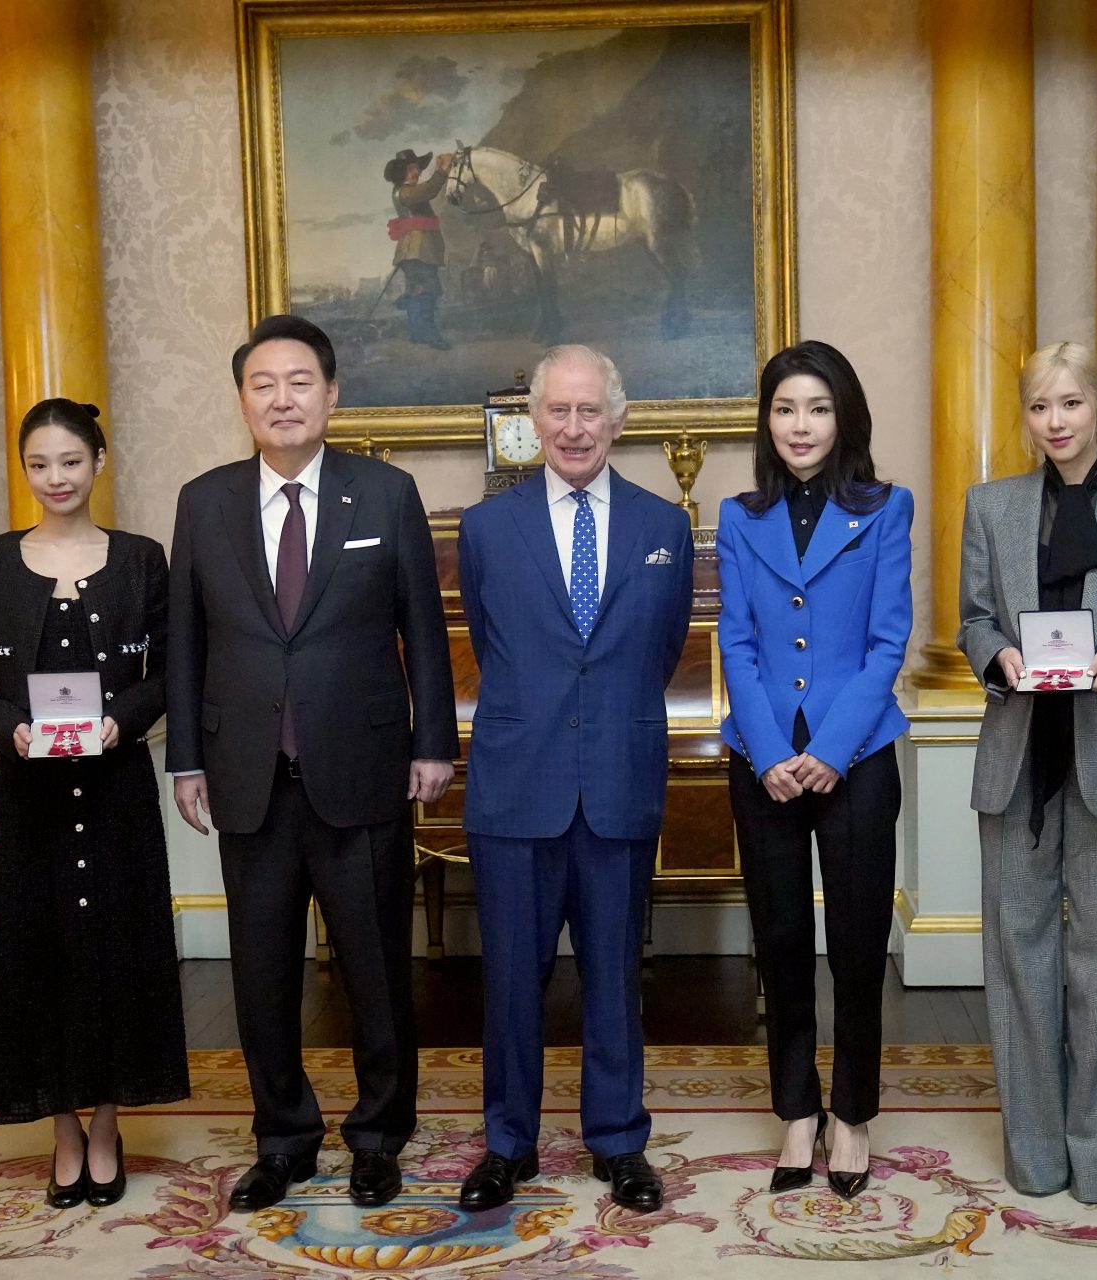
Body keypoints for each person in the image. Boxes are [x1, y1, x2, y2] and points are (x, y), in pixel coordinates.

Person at [168, 314, 457, 1211]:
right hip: (246, 775)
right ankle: (283, 1138)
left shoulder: (385, 494)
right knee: (261, 977)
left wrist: (435, 740)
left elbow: (423, 629)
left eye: (300, 382)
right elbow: (185, 642)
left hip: (362, 769)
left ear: (332, 395)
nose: (283, 398)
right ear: (243, 400)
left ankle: (378, 1138)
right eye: (264, 383)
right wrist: (185, 760)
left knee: (376, 970)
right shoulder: (204, 501)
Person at [456, 344, 693, 1214]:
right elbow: (493, 648)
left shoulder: (663, 526)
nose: (574, 427)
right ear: (532, 421)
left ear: (617, 419)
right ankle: (507, 1143)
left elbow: (659, 652)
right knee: (512, 980)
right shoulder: (485, 529)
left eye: (590, 410)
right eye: (557, 411)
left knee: (614, 977)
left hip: (619, 782)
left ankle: (619, 1141)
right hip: (518, 787)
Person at [955, 342, 1097, 1205]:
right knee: (1018, 962)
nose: (1055, 423)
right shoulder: (991, 506)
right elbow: (971, 617)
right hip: (1017, 757)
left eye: (1070, 404)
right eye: (1039, 408)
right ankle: (1038, 1158)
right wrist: (999, 653)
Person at [0, 398, 188, 1209]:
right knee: (37, 953)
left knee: (116, 950)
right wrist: (8, 728)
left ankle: (109, 1125)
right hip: (30, 796)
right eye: (39, 465)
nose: (56, 478)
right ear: (26, 470)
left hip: (116, 792)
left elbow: (171, 669)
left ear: (98, 462)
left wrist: (126, 719)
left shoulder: (142, 559)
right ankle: (62, 1130)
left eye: (71, 462)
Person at [715, 340, 913, 1199]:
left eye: (819, 408)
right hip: (761, 761)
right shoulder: (737, 513)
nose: (801, 425)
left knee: (860, 947)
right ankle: (798, 1110)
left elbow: (886, 642)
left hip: (856, 756)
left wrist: (829, 752)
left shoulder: (888, 507)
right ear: (767, 420)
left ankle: (854, 1115)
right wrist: (769, 755)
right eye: (787, 408)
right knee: (784, 941)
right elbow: (738, 642)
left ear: (845, 418)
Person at [384, 147, 453, 350]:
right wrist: (444, 169)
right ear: (400, 173)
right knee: (427, 291)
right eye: (410, 169)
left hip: (415, 250)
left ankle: (416, 333)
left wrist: (439, 168)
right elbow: (430, 190)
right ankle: (431, 336)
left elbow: (425, 188)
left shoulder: (402, 190)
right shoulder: (405, 192)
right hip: (419, 250)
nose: (415, 173)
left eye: (416, 168)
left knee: (416, 290)